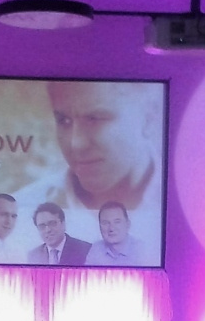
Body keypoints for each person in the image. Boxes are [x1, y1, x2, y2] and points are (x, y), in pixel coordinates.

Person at [13, 79, 163, 253]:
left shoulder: (186, 204)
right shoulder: (21, 211)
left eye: (95, 119)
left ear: (148, 118)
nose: (76, 143)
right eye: (64, 121)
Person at [26, 202, 91, 265]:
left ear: (63, 224)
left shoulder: (85, 250)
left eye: (52, 223)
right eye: (42, 226)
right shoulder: (34, 255)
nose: (48, 230)